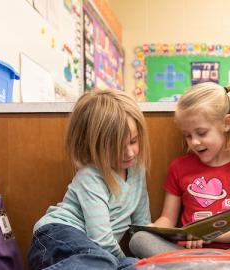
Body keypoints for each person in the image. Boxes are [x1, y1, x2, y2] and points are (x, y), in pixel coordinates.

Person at [129, 82, 230, 267]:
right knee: (140, 239)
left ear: (226, 123)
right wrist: (155, 229)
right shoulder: (179, 167)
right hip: (187, 255)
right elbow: (167, 218)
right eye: (187, 135)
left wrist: (208, 235)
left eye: (201, 132)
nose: (195, 142)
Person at [27, 90, 151, 270]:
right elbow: (101, 239)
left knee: (136, 267)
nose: (129, 153)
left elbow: (141, 229)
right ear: (93, 144)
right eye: (117, 147)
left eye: (133, 141)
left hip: (97, 252)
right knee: (102, 261)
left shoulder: (137, 172)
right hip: (56, 235)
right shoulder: (91, 176)